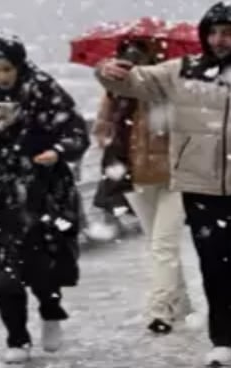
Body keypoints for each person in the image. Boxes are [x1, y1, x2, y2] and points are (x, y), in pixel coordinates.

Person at [97, 1, 231, 368]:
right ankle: (224, 340)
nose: (219, 40)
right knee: (214, 268)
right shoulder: (182, 71)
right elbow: (134, 81)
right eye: (213, 32)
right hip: (200, 186)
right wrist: (106, 71)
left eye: (229, 33)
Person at [0, 34, 89, 365]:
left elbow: (76, 133)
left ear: (19, 65)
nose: (2, 77)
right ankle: (16, 336)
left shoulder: (44, 90)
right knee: (1, 267)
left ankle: (51, 310)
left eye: (7, 69)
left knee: (44, 260)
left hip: (44, 190)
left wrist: (56, 151)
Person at [90, 37, 193, 335]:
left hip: (175, 176)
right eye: (128, 54)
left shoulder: (171, 84)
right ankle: (181, 305)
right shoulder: (115, 91)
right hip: (136, 177)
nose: (134, 60)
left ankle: (159, 310)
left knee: (163, 245)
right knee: (159, 245)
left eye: (140, 54)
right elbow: (101, 131)